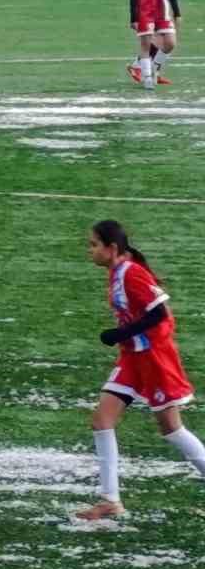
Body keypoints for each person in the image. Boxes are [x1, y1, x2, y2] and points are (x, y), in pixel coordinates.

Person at [75, 220, 205, 521]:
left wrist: (119, 334)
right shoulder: (117, 272)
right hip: (132, 358)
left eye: (94, 244)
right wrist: (124, 338)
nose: (90, 251)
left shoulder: (131, 273)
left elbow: (160, 314)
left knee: (171, 428)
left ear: (112, 248)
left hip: (154, 358)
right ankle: (110, 501)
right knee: (102, 420)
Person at [127, 0, 176, 90]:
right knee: (146, 45)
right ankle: (148, 78)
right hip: (145, 12)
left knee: (170, 43)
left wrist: (177, 12)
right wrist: (134, 18)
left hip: (163, 12)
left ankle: (154, 70)